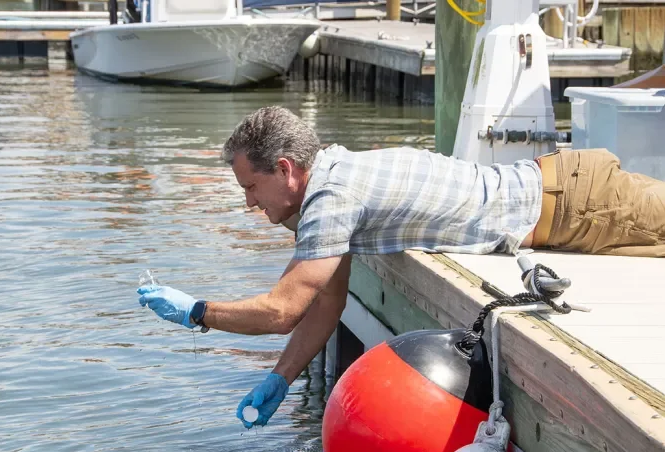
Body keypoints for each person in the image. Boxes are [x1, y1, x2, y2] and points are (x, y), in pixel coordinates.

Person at [138, 106, 665, 429]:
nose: (249, 203)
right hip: (566, 207)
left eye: (251, 187)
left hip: (583, 202)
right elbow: (326, 303)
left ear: (285, 169)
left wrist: (197, 312)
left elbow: (282, 311)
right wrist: (281, 377)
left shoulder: (331, 198)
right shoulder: (331, 180)